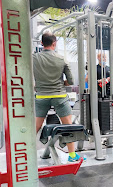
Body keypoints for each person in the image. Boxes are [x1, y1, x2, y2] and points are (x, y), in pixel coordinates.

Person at [33, 32, 85, 162]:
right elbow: (71, 81)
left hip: (41, 96)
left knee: (36, 126)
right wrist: (61, 83)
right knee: (67, 126)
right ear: (54, 43)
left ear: (42, 43)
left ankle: (27, 155)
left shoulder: (34, 58)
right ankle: (72, 156)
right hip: (59, 95)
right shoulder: (61, 59)